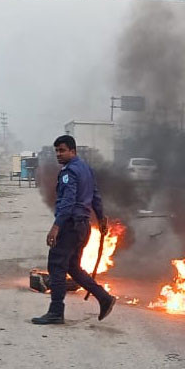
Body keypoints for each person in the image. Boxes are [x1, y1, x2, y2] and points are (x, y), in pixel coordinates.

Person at [32, 135, 117, 325]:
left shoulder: (68, 172)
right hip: (83, 227)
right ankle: (104, 298)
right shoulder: (86, 169)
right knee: (73, 267)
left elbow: (68, 202)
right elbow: (95, 196)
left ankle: (55, 312)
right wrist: (101, 218)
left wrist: (56, 227)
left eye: (62, 150)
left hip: (70, 226)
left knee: (56, 266)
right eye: (56, 151)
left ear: (73, 151)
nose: (58, 155)